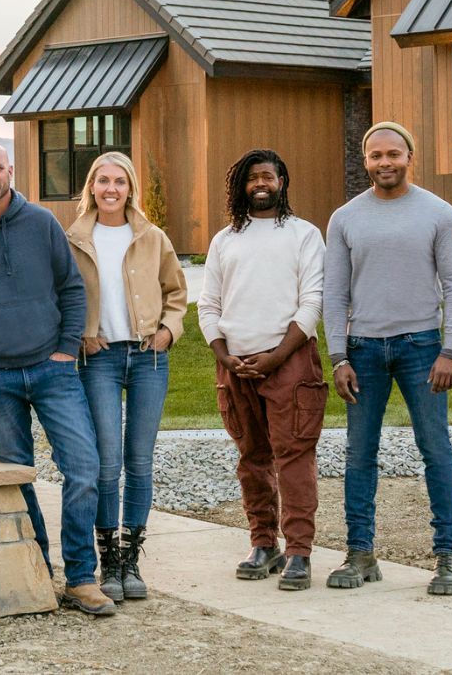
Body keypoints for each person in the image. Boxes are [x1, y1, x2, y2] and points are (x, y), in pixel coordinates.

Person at [0, 141, 112, 616]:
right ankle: (37, 569)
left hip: (51, 371)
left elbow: (71, 289)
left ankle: (80, 577)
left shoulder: (41, 224)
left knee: (83, 469)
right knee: (17, 477)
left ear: (10, 171)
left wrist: (62, 353)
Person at [324, 122, 452, 596]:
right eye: (375, 155)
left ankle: (448, 557)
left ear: (410, 156)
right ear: (365, 160)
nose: (384, 162)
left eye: (393, 154)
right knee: (359, 455)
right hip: (363, 350)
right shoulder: (345, 217)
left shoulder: (438, 213)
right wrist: (338, 356)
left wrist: (450, 349)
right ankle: (360, 554)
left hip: (422, 348)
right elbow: (334, 294)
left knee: (436, 450)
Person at [199, 148, 327, 591]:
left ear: (282, 181)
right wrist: (222, 353)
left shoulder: (304, 235)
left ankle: (298, 553)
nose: (261, 184)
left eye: (268, 176)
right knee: (252, 459)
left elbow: (312, 302)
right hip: (236, 365)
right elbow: (208, 304)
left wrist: (275, 357)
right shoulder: (225, 240)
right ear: (241, 185)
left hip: (289, 361)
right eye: (253, 177)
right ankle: (262, 543)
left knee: (293, 458)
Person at [66, 152, 186, 602]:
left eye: (119, 181)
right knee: (106, 463)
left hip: (148, 358)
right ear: (92, 188)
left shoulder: (152, 237)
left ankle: (131, 557)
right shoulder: (74, 238)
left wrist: (169, 331)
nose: (111, 189)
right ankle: (108, 560)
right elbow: (64, 295)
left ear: (130, 187)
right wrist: (82, 335)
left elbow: (176, 292)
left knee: (139, 461)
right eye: (103, 181)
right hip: (99, 359)